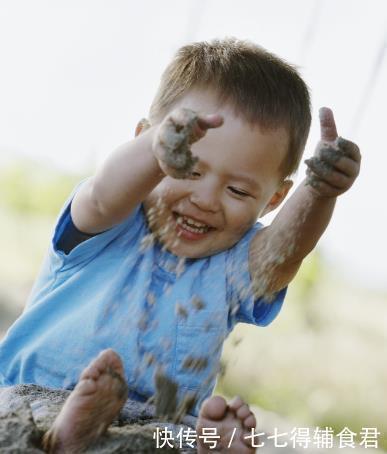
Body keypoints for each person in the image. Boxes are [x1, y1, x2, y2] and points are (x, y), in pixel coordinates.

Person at [0, 38, 360, 453]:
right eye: (186, 167)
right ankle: (68, 434)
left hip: (161, 428)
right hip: (37, 395)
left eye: (239, 191)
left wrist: (320, 191)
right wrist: (155, 152)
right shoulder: (111, 219)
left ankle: (210, 446)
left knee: (184, 438)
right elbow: (103, 193)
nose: (206, 200)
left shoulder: (233, 265)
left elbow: (284, 253)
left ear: (274, 199)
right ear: (147, 141)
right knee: (37, 423)